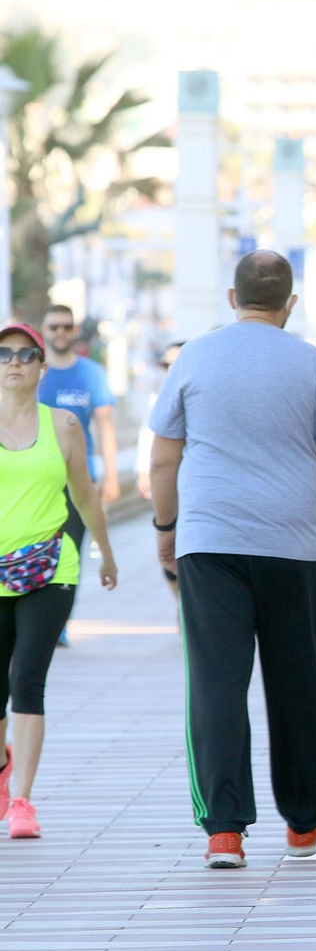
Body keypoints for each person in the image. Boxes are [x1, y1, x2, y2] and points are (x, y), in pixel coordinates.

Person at [148, 250, 316, 870]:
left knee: (215, 682)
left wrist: (167, 527)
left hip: (209, 541)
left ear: (232, 298)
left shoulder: (195, 355)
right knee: (296, 680)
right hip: (294, 545)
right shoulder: (313, 362)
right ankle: (308, 818)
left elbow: (163, 457)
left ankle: (224, 831)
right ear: (290, 303)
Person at [0, 323, 118, 839]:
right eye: (4, 355)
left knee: (27, 680)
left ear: (41, 368)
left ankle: (22, 800)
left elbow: (87, 495)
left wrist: (105, 554)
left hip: (52, 567)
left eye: (26, 354)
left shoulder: (65, 425)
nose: (15, 362)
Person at [39, 305, 119, 648]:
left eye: (66, 326)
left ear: (74, 332)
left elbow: (104, 424)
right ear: (44, 330)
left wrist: (111, 475)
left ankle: (59, 623)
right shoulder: (34, 373)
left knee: (71, 552)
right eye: (53, 326)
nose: (60, 332)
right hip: (39, 479)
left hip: (78, 479)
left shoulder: (91, 374)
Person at [136, 341, 185, 596]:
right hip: (168, 490)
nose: (171, 369)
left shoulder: (198, 395)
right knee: (170, 563)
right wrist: (143, 470)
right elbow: (148, 436)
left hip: (193, 490)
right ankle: (182, 612)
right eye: (166, 365)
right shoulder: (158, 399)